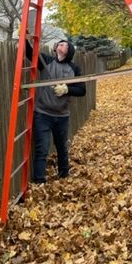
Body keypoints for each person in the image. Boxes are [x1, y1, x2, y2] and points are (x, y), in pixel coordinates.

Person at [26, 37, 86, 182]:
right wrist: (24, 36)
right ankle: (39, 181)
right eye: (60, 43)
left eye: (64, 44)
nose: (61, 44)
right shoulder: (47, 62)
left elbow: (82, 90)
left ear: (69, 50)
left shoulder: (74, 68)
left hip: (62, 116)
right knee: (42, 149)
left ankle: (64, 176)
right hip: (43, 114)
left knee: (61, 148)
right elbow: (30, 53)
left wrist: (67, 89)